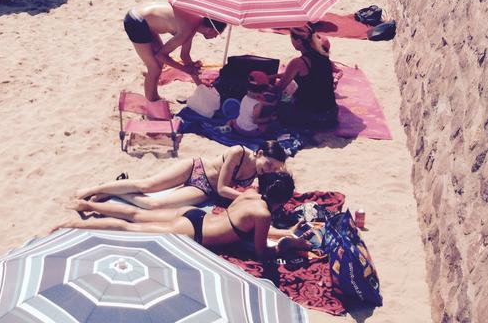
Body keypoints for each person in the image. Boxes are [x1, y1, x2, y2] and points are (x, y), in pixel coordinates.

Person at [60, 171, 311, 258]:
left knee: (135, 215)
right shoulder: (264, 214)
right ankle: (75, 226)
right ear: (283, 200)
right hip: (195, 233)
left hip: (196, 216)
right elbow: (260, 251)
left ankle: (89, 207)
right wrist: (286, 245)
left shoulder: (251, 196)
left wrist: (285, 232)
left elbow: (255, 228)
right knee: (131, 229)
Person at [73, 141, 288, 210]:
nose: (268, 170)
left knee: (154, 206)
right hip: (196, 168)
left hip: (203, 190)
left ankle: (117, 192)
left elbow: (265, 195)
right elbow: (223, 189)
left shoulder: (262, 172)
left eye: (273, 168)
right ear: (259, 153)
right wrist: (247, 197)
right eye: (268, 164)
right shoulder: (238, 152)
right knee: (148, 186)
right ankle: (96, 189)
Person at [123, 3, 227, 101]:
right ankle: (151, 106)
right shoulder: (188, 28)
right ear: (210, 30)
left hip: (146, 19)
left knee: (159, 65)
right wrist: (185, 69)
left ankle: (154, 97)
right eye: (217, 34)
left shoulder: (195, 22)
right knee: (154, 68)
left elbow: (185, 56)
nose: (215, 37)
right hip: (136, 21)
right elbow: (160, 55)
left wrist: (200, 86)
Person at [274, 26, 338, 129]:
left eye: (292, 39)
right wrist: (273, 76)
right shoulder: (324, 56)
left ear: (298, 41)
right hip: (331, 114)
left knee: (274, 105)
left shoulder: (298, 62)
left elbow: (278, 88)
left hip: (312, 118)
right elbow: (309, 74)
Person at [231, 71, 278, 136]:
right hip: (249, 131)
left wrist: (271, 104)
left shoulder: (246, 95)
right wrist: (269, 118)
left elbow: (256, 98)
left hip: (238, 126)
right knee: (272, 125)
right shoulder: (258, 104)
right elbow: (255, 121)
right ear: (263, 89)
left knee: (233, 120)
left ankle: (227, 127)